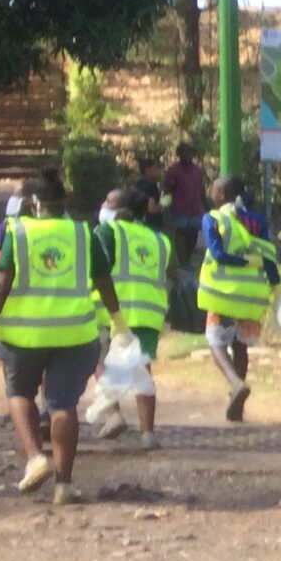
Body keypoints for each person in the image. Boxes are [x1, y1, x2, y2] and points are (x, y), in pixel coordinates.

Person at [0, 176, 124, 504]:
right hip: (74, 335)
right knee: (63, 405)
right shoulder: (83, 233)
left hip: (22, 337)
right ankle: (64, 485)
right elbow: (103, 281)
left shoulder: (18, 233)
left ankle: (35, 458)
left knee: (19, 393)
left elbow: (0, 285)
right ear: (65, 203)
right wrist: (119, 323)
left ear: (32, 204)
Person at [92, 184, 171, 451]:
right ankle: (148, 434)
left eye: (108, 203)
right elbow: (168, 273)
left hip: (113, 311)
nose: (103, 206)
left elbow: (98, 268)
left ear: (120, 211)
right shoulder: (159, 240)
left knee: (99, 359)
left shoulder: (108, 231)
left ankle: (113, 414)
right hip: (149, 313)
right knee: (142, 371)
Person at [198, 175, 281, 423]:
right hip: (251, 296)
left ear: (222, 194)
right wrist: (276, 287)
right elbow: (268, 256)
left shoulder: (212, 218)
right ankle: (237, 407)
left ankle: (235, 382)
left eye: (214, 189)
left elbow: (218, 254)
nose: (211, 193)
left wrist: (241, 261)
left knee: (215, 340)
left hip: (222, 294)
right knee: (240, 345)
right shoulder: (257, 221)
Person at [161, 143, 208, 265]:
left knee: (193, 233)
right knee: (180, 233)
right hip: (179, 209)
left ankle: (188, 257)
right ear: (179, 155)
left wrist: (206, 205)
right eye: (183, 153)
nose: (187, 156)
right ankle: (183, 261)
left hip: (196, 208)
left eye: (189, 153)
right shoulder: (173, 171)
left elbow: (202, 189)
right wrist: (165, 206)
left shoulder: (197, 171)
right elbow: (166, 189)